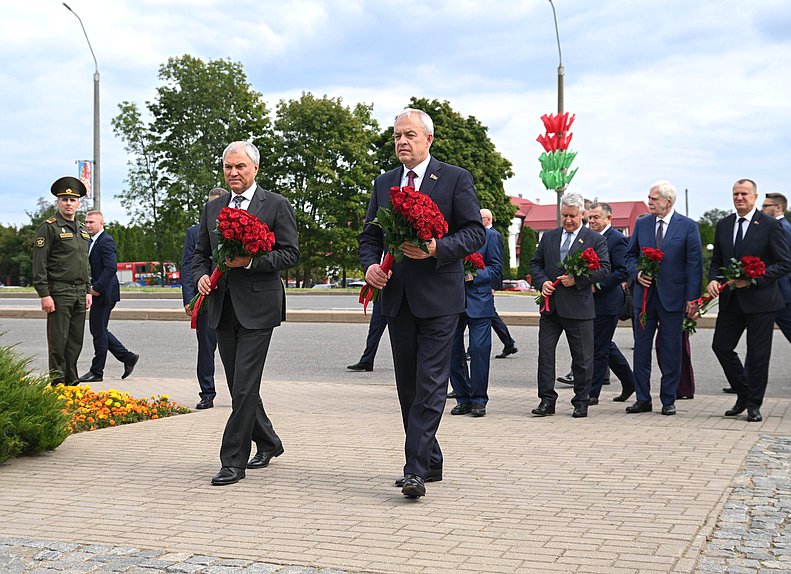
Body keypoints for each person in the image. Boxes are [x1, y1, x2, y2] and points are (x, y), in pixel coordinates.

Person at [359, 108, 485, 499]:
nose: (401, 142)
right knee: (408, 388)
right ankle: (431, 460)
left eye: (410, 135)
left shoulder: (453, 179)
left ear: (428, 140)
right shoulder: (384, 183)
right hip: (397, 299)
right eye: (397, 135)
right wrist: (369, 269)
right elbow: (370, 238)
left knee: (431, 384)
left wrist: (436, 248)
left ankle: (414, 469)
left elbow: (475, 233)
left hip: (440, 298)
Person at [193, 141, 300, 486]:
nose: (233, 173)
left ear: (255, 168)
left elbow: (290, 254)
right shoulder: (213, 209)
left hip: (259, 307)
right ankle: (269, 441)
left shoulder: (276, 205)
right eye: (228, 167)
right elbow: (200, 253)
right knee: (241, 385)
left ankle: (232, 461)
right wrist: (200, 277)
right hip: (222, 307)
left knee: (244, 387)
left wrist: (251, 261)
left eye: (240, 166)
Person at [707, 179, 791, 422]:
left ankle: (754, 405)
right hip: (731, 300)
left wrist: (754, 280)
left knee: (757, 355)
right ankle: (743, 392)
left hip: (761, 301)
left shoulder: (769, 225)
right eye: (735, 194)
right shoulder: (723, 224)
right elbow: (718, 261)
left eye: (744, 193)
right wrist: (713, 279)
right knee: (721, 346)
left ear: (754, 197)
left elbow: (785, 263)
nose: (739, 198)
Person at [624, 180, 702, 416]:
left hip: (673, 299)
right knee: (641, 350)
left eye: (653, 198)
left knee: (671, 350)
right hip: (645, 299)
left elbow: (694, 265)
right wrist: (637, 274)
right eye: (649, 198)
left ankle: (668, 399)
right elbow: (629, 256)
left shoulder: (687, 226)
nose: (649, 202)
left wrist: (693, 299)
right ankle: (642, 398)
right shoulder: (642, 224)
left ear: (668, 201)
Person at [529, 192, 610, 418]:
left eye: (572, 216)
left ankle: (581, 400)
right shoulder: (549, 237)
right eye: (564, 215)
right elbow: (536, 263)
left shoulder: (595, 239)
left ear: (582, 215)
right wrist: (542, 281)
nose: (567, 220)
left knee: (582, 358)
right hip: (551, 307)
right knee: (545, 355)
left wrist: (578, 279)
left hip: (578, 308)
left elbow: (604, 269)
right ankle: (546, 400)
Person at [32, 177, 92, 386]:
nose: (68, 203)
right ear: (58, 202)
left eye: (72, 199)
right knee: (58, 342)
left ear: (79, 203)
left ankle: (72, 382)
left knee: (75, 341)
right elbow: (39, 264)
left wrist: (87, 290)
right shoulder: (48, 228)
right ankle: (58, 384)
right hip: (58, 292)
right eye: (64, 199)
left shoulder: (83, 230)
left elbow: (85, 263)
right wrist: (44, 294)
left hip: (79, 293)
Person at [448, 209, 503, 417]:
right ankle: (463, 397)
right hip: (452, 300)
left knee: (479, 349)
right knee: (452, 351)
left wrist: (474, 274)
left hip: (479, 300)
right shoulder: (451, 233)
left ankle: (479, 399)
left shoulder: (490, 236)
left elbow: (497, 271)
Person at [78, 211, 139, 383]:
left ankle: (97, 372)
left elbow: (111, 268)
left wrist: (96, 288)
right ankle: (127, 357)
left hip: (105, 293)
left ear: (101, 223)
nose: (87, 225)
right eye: (86, 222)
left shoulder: (106, 241)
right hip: (100, 292)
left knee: (98, 331)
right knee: (99, 330)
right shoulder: (91, 242)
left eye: (91, 222)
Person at [586, 202, 636, 404]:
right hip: (589, 301)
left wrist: (598, 285)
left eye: (596, 217)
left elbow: (622, 270)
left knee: (599, 346)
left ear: (608, 218)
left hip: (608, 301)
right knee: (604, 344)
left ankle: (592, 393)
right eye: (590, 217)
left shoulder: (617, 240)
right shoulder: (588, 238)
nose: (592, 221)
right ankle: (630, 381)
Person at [182, 187, 227, 409]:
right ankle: (207, 393)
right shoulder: (194, 232)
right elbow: (189, 266)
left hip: (230, 298)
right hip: (205, 299)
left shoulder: (234, 230)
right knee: (206, 350)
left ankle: (241, 393)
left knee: (235, 351)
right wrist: (190, 299)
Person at [480, 209, 518, 358]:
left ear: (488, 219)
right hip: (481, 283)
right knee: (488, 315)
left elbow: (495, 263)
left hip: (485, 282)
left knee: (486, 315)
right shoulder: (482, 234)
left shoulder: (493, 235)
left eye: (480, 218)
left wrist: (492, 285)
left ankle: (508, 343)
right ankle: (508, 343)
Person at [346, 300, 387, 372]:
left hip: (398, 299)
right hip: (382, 297)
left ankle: (407, 362)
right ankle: (366, 361)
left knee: (401, 335)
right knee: (374, 330)